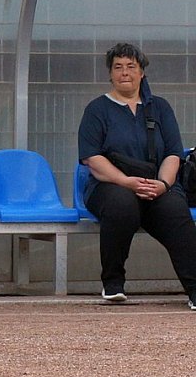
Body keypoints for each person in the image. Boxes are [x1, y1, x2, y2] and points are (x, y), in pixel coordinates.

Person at [77, 43, 196, 310]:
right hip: (110, 185)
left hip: (157, 185)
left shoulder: (160, 108)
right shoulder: (97, 110)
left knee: (176, 211)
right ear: (110, 74)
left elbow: (174, 153)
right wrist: (125, 181)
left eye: (131, 67)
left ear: (142, 72)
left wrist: (164, 185)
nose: (124, 73)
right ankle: (113, 282)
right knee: (122, 204)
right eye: (118, 67)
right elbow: (92, 159)